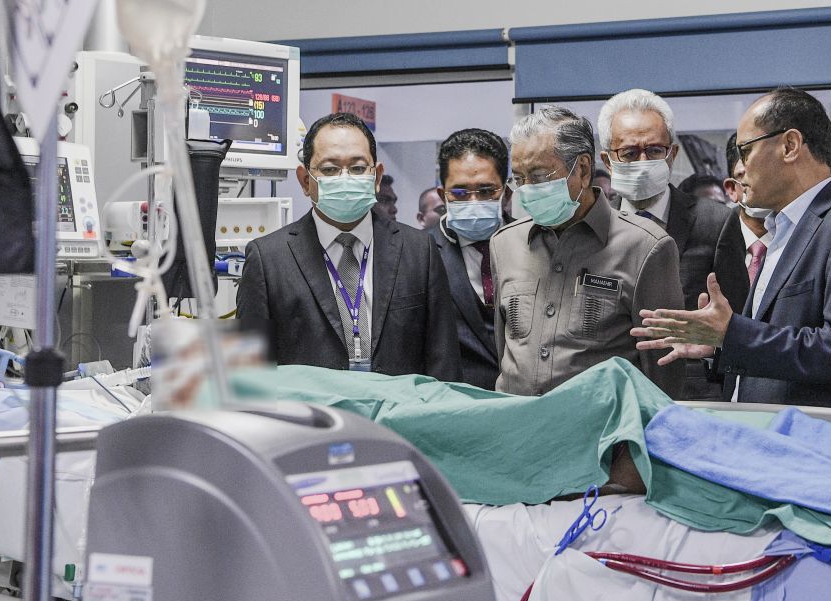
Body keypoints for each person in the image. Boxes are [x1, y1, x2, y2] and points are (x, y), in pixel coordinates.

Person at [631, 88, 831, 415]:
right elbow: (774, 346)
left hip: (818, 438)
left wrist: (733, 334)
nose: (740, 168)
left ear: (790, 146)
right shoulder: (783, 229)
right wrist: (719, 346)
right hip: (769, 433)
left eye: (745, 151)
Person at [237, 112, 461, 380]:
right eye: (329, 169)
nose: (345, 179)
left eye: (357, 168)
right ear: (306, 181)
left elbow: (443, 361)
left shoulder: (419, 250)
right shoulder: (267, 258)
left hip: (400, 407)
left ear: (376, 177)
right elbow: (248, 375)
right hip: (310, 407)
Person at [491, 106, 684, 397]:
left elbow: (663, 371)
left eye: (539, 176)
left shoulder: (645, 247)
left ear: (582, 169)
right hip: (517, 420)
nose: (527, 190)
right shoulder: (505, 243)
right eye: (519, 179)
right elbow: (505, 350)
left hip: (603, 422)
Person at [598, 88, 746, 400]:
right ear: (607, 161)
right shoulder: (593, 227)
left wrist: (714, 347)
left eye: (654, 150)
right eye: (629, 153)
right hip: (611, 394)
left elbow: (740, 324)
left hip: (691, 396)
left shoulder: (715, 223)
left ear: (672, 154)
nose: (643, 161)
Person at [431, 128, 508, 390]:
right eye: (460, 193)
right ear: (442, 196)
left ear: (506, 192)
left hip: (527, 398)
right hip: (457, 397)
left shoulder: (533, 242)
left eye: (486, 191)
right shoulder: (421, 252)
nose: (474, 201)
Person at [723, 132, 769, 291]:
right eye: (743, 174)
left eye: (762, 172)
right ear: (731, 189)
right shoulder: (717, 244)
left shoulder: (800, 239)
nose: (754, 183)